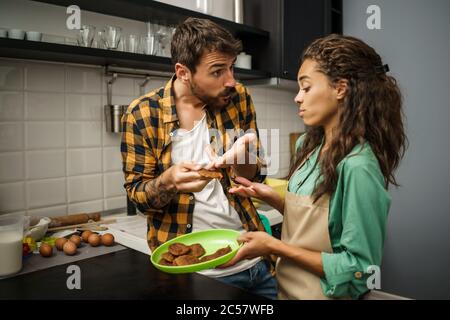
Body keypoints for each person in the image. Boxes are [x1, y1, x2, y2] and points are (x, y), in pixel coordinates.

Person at [222, 34, 407, 300]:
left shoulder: (358, 167)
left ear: (340, 88)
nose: (297, 98)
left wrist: (275, 246)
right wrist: (273, 198)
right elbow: (323, 225)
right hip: (286, 291)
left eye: (306, 88)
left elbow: (358, 270)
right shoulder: (308, 148)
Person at [121, 17, 277, 299]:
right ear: (183, 72)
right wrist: (168, 182)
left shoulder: (238, 97)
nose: (231, 80)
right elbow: (138, 197)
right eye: (218, 71)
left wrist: (244, 155)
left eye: (231, 67)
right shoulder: (142, 114)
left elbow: (254, 177)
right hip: (197, 276)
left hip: (255, 260)